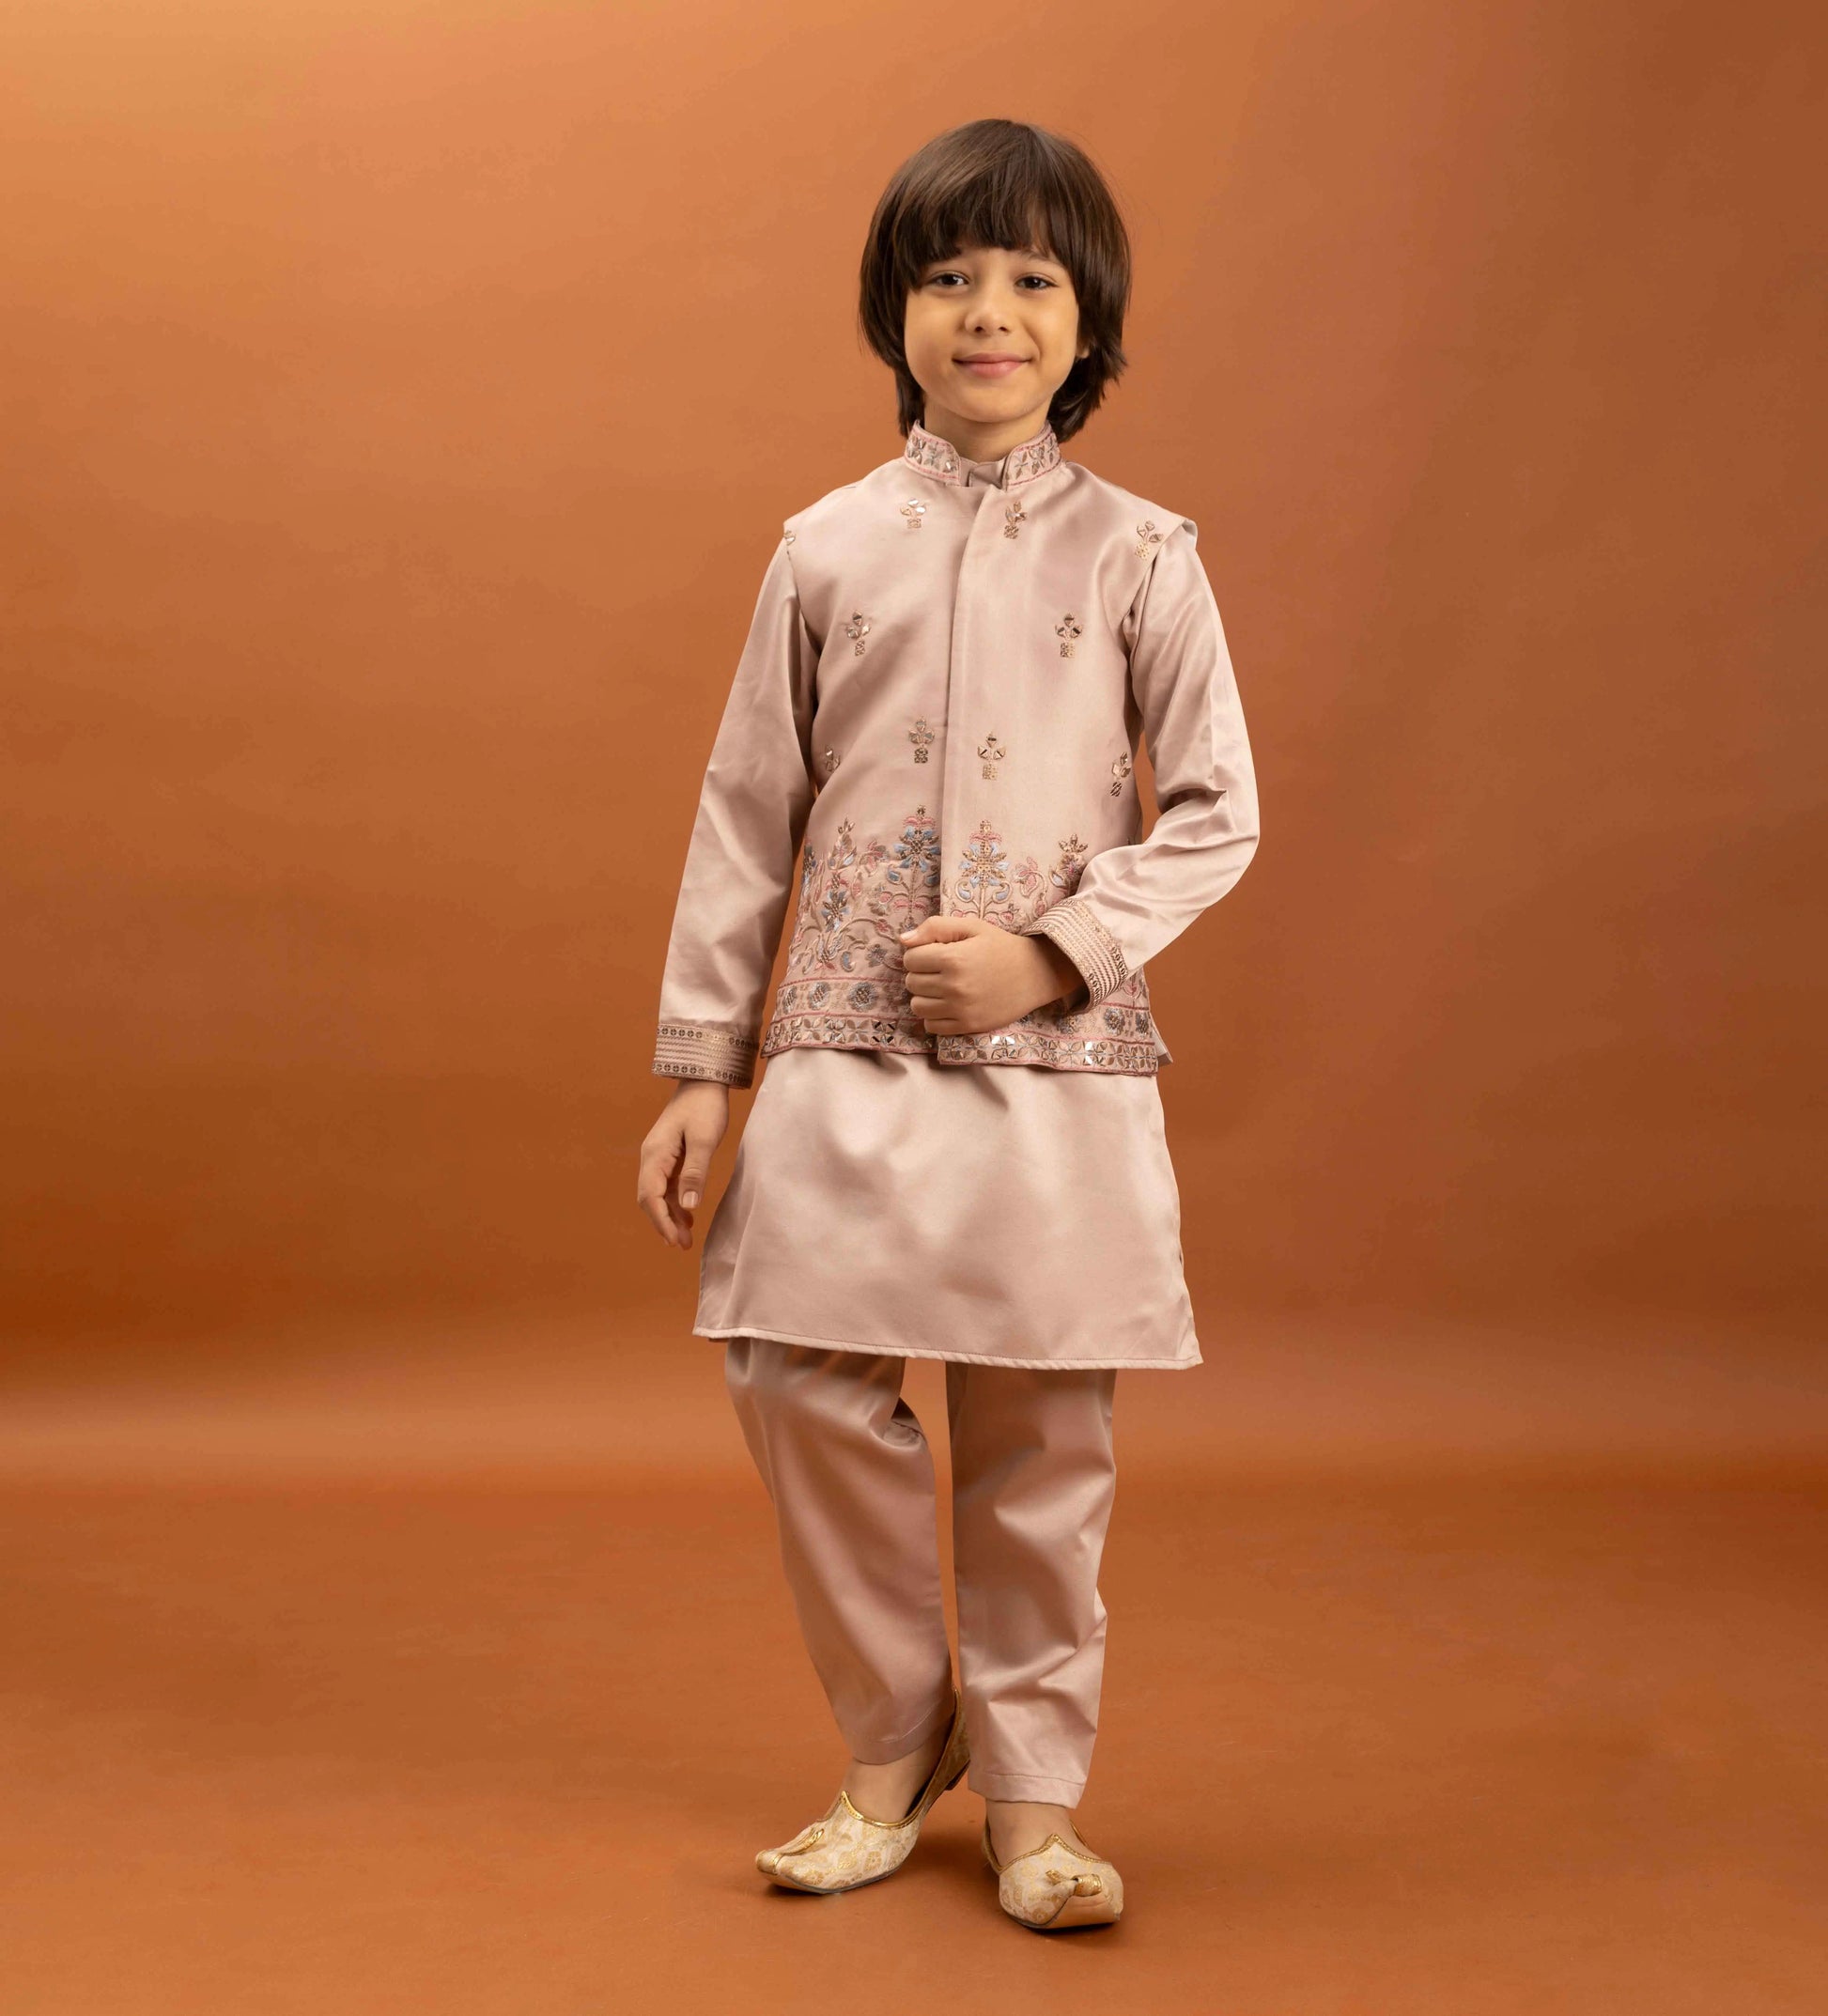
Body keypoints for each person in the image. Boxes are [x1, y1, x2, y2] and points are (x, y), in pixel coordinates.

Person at [636, 116, 1259, 1931]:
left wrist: (1057, 954)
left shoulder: (1143, 553)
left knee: (1040, 1427)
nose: (987, 311)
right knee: (790, 1368)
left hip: (1053, 1061)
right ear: (891, 313)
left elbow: (1216, 808)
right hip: (842, 1044)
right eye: (946, 276)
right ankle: (896, 1736)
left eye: (1029, 278)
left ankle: (1039, 1799)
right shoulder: (825, 548)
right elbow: (745, 810)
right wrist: (699, 1065)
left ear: (1088, 321)